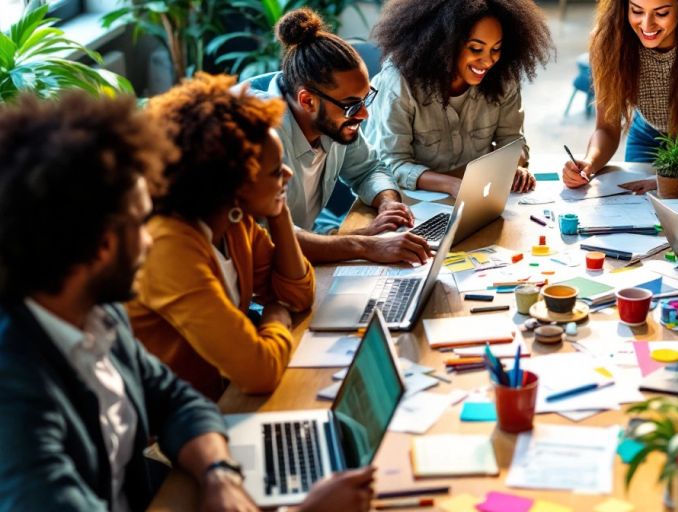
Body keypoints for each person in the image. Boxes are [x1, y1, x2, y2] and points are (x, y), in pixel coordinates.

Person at [0, 91, 374, 511]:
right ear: (102, 245)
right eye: (139, 223)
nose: (148, 239)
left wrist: (218, 474)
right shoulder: (19, 403)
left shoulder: (98, 317)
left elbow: (176, 400)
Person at [128, 73, 316, 400]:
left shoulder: (232, 219)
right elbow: (259, 372)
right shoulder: (168, 246)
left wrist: (278, 210)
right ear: (234, 183)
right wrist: (275, 319)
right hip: (173, 432)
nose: (287, 174)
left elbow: (297, 294)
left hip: (224, 397)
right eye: (276, 171)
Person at [248, 8, 431, 265]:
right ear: (307, 101)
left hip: (302, 253)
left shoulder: (332, 117)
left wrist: (387, 201)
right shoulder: (257, 135)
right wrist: (363, 243)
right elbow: (264, 238)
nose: (364, 114)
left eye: (366, 98)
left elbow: (368, 169)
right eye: (352, 105)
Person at [561, 0, 678, 196]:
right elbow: (606, 128)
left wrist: (675, 175)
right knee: (636, 212)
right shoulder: (608, 39)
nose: (647, 25)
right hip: (651, 138)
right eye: (637, 11)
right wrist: (589, 162)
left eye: (661, 13)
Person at [364, 0, 552, 197]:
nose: (488, 61)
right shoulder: (399, 83)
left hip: (477, 195)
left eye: (496, 49)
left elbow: (512, 140)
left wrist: (513, 165)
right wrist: (452, 185)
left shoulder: (502, 77)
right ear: (443, 44)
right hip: (411, 200)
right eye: (476, 49)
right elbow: (390, 163)